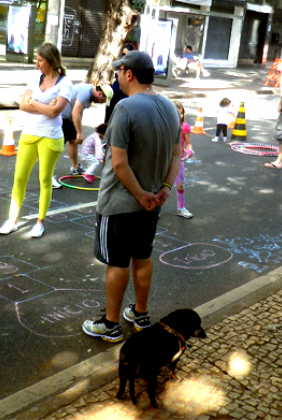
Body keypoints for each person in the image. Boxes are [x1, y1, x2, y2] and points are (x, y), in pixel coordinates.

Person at [82, 51, 182, 342]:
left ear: (128, 73)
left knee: (117, 262)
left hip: (120, 203)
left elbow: (119, 163)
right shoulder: (170, 108)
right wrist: (164, 188)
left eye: (118, 73)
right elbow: (177, 155)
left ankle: (110, 324)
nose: (116, 79)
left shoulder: (125, 108)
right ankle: (140, 314)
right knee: (142, 257)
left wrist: (139, 195)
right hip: (152, 202)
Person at [0, 43, 72, 237]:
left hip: (51, 137)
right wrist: (43, 104)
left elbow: (56, 112)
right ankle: (12, 220)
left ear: (51, 61)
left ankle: (40, 223)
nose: (37, 63)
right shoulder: (34, 78)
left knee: (44, 180)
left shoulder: (65, 84)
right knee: (19, 178)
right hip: (30, 134)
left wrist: (35, 102)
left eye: (40, 60)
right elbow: (24, 105)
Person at [61, 84, 113, 175]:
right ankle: (48, 175)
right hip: (60, 117)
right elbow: (75, 112)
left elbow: (79, 112)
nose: (101, 103)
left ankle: (75, 167)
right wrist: (79, 132)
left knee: (73, 141)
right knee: (58, 146)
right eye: (102, 101)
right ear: (100, 94)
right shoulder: (85, 93)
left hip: (70, 118)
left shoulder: (89, 92)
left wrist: (78, 127)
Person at [172, 100, 195, 219]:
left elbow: (188, 143)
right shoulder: (166, 126)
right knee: (160, 186)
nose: (180, 116)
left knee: (180, 185)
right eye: (177, 113)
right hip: (165, 160)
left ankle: (181, 208)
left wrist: (190, 150)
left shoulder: (184, 127)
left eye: (181, 113)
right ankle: (156, 208)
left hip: (178, 160)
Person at [104, 43, 135, 124]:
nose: (124, 57)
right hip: (110, 111)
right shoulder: (119, 74)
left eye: (126, 55)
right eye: (123, 54)